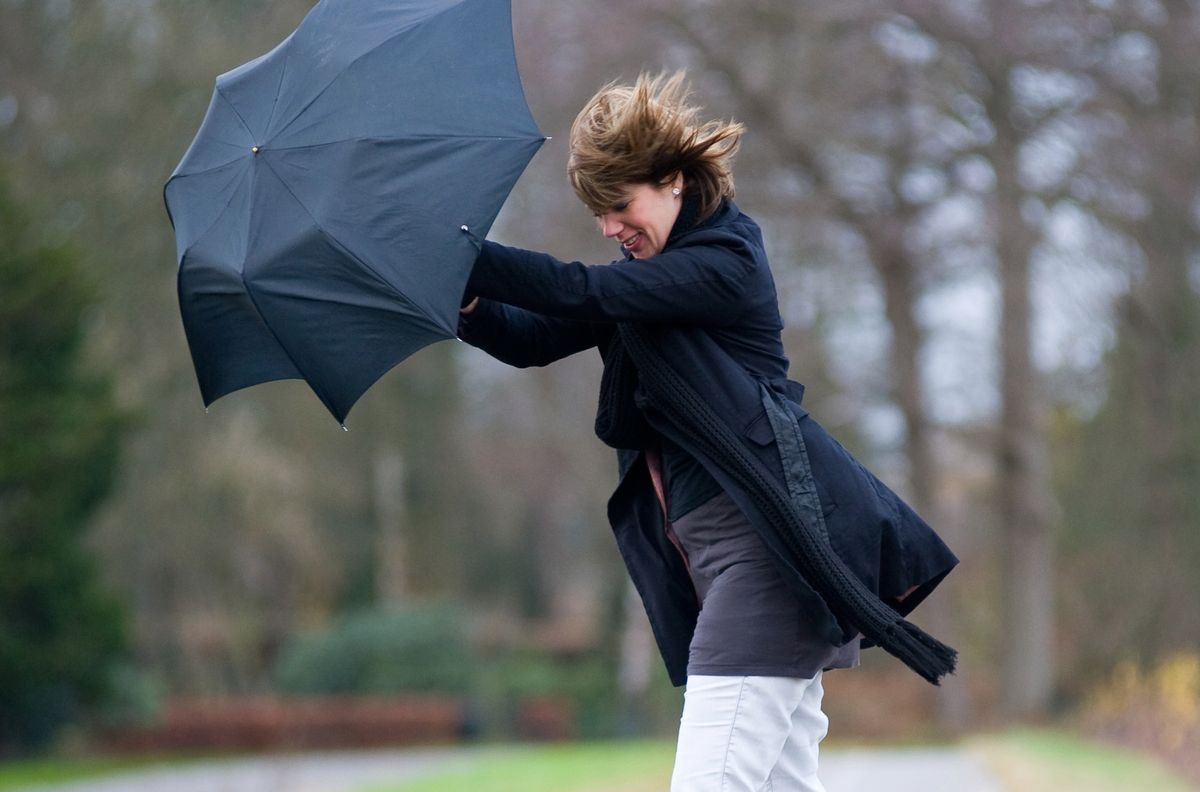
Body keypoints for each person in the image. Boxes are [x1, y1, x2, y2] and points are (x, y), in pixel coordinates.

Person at [458, 72, 958, 792]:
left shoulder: (726, 260)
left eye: (620, 205)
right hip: (721, 562)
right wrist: (463, 296)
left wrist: (462, 251)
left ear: (671, 179)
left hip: (767, 558)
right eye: (598, 213)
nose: (609, 229)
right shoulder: (648, 273)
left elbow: (582, 290)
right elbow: (533, 336)